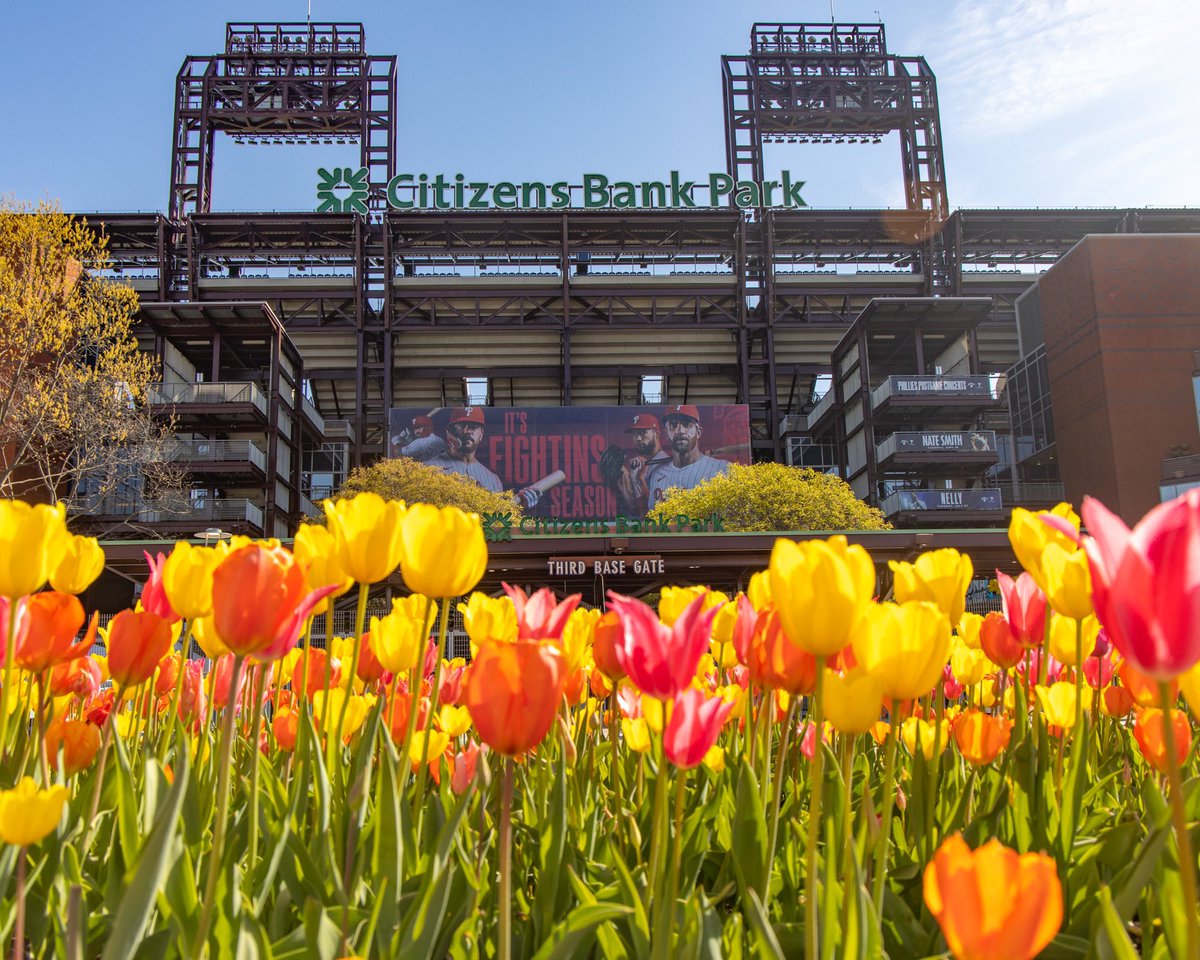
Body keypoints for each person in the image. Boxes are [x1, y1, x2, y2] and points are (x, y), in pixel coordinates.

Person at [647, 405, 731, 505]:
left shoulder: (722, 469)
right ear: (666, 434)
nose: (680, 431)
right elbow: (653, 516)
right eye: (673, 425)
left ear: (698, 432)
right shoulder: (657, 473)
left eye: (687, 425)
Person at [611, 413, 671, 515]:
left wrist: (637, 479)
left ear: (657, 434)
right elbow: (635, 509)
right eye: (635, 434)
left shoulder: (667, 465)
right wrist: (630, 477)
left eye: (643, 432)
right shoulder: (641, 465)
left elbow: (652, 511)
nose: (638, 438)